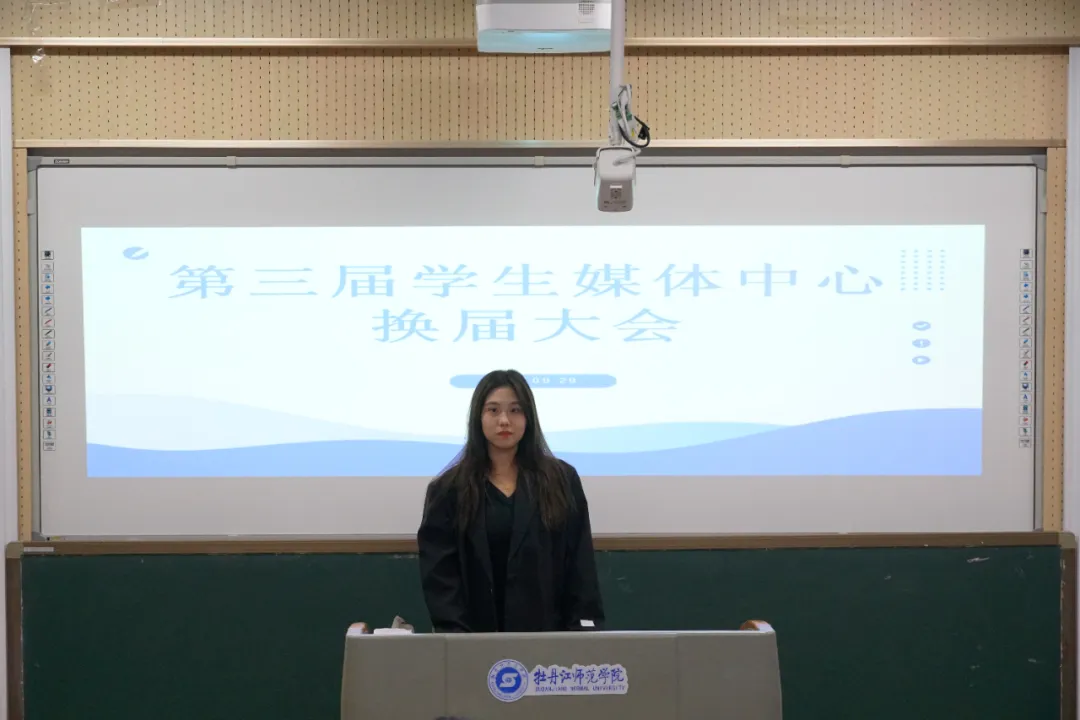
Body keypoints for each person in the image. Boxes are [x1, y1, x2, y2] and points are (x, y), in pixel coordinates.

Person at [417, 369, 605, 633]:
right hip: (473, 639)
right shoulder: (448, 489)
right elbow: (440, 575)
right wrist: (457, 637)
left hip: (549, 638)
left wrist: (582, 631)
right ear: (478, 417)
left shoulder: (561, 480)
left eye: (515, 410)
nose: (504, 420)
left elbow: (580, 564)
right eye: (493, 410)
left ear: (529, 417)